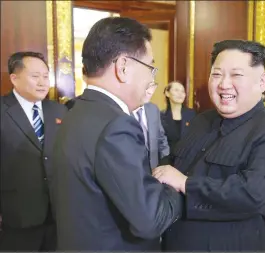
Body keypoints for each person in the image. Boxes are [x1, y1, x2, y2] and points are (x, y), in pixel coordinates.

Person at [153, 40, 265, 252]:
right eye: (217, 74)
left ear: (262, 82)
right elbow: (173, 163)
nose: (224, 84)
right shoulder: (201, 121)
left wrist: (185, 183)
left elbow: (252, 194)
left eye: (236, 75)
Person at [52, 17, 182, 251]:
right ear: (123, 67)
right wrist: (176, 186)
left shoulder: (76, 111)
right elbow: (150, 219)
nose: (152, 79)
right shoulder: (117, 125)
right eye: (150, 68)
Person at [0, 51, 67, 251]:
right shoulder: (3, 111)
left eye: (46, 76)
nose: (43, 82)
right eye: (35, 76)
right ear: (14, 78)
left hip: (57, 216)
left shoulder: (59, 111)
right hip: (15, 216)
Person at [132, 81, 170, 169]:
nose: (150, 91)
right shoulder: (122, 109)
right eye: (147, 86)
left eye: (153, 86)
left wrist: (165, 161)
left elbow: (161, 137)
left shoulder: (153, 109)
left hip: (154, 168)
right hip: (133, 169)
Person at [160, 81, 196, 152]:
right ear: (167, 93)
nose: (180, 94)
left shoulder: (192, 114)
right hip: (167, 157)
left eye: (183, 91)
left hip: (187, 157)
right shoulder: (160, 116)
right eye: (176, 90)